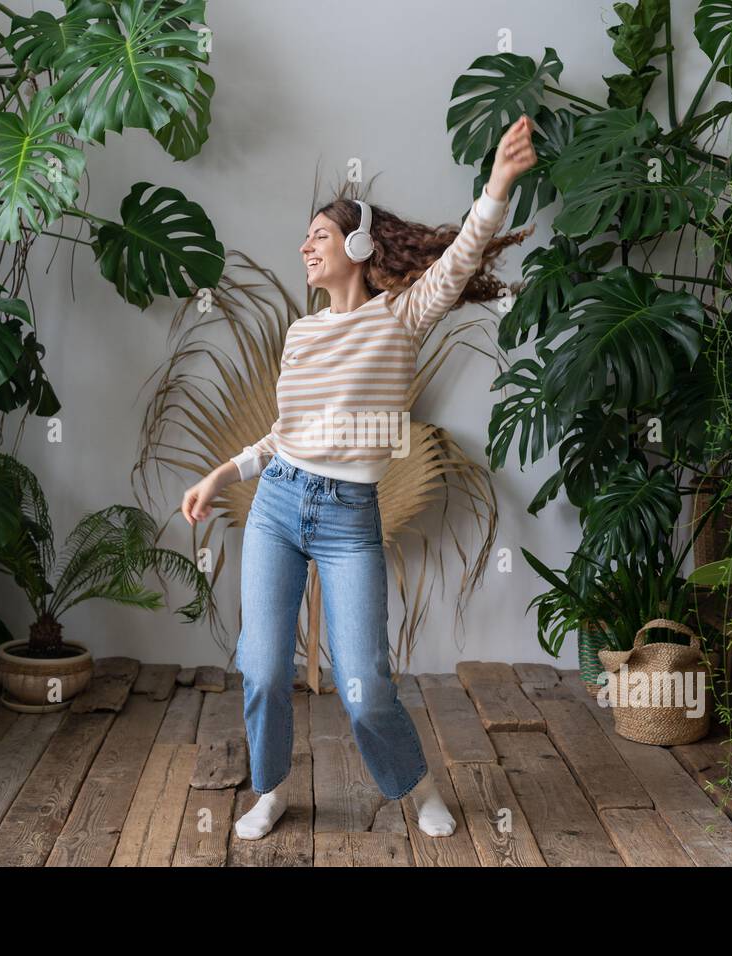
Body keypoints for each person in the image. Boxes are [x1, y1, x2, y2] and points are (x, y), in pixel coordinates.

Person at [182, 116, 537, 840]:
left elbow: (463, 255)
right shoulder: (302, 334)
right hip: (280, 505)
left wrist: (498, 183)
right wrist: (224, 472)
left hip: (348, 518)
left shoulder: (401, 317)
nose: (305, 247)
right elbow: (287, 435)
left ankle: (417, 785)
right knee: (259, 666)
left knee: (366, 683)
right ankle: (271, 788)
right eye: (306, 237)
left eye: (318, 235)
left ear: (358, 245)